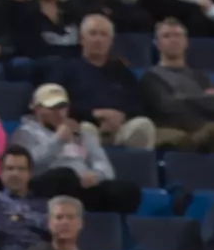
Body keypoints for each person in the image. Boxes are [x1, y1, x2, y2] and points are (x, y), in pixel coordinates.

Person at [8, 86, 140, 216]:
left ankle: (108, 230)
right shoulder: (25, 133)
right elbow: (29, 165)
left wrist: (96, 175)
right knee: (65, 174)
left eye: (62, 107)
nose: (59, 113)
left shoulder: (80, 132)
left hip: (83, 187)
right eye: (52, 108)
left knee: (127, 190)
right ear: (37, 109)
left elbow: (104, 165)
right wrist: (57, 141)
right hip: (49, 186)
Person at [54, 14, 156, 150]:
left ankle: (136, 169)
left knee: (144, 125)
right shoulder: (67, 69)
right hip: (84, 126)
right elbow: (60, 104)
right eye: (93, 34)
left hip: (120, 128)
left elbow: (137, 105)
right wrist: (94, 114)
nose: (98, 39)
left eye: (103, 35)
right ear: (82, 39)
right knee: (86, 129)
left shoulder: (123, 72)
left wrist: (121, 116)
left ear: (111, 41)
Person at [138, 18, 214, 153]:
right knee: (182, 139)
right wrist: (202, 98)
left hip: (201, 129)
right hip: (169, 130)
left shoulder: (200, 77)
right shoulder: (150, 77)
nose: (173, 40)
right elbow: (167, 107)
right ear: (157, 43)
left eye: (178, 35)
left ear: (186, 42)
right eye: (167, 36)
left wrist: (180, 97)